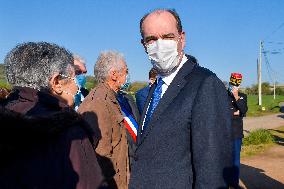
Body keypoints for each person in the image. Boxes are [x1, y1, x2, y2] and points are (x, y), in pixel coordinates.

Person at [129, 9, 233, 188]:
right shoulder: (155, 87)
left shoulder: (205, 84)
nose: (159, 45)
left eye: (168, 37)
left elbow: (212, 171)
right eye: (151, 39)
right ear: (143, 45)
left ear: (181, 39)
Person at [0, 42, 104, 189]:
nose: (77, 86)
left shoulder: (7, 112)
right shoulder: (70, 132)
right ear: (56, 82)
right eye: (75, 77)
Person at [78, 51, 130, 189]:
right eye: (126, 71)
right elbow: (100, 155)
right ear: (114, 74)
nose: (127, 76)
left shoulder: (111, 98)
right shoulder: (99, 103)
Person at [227, 73, 248, 188]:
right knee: (223, 158)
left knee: (235, 159)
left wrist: (236, 96)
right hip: (223, 132)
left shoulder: (243, 96)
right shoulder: (223, 95)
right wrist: (235, 113)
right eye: (232, 84)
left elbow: (244, 110)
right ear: (229, 83)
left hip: (236, 133)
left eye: (236, 85)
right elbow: (221, 112)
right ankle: (224, 182)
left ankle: (234, 183)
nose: (233, 87)